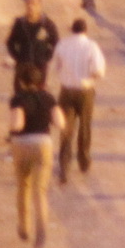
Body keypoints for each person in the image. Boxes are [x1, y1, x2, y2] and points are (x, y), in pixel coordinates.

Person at [8, 64, 62, 247]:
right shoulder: (48, 98)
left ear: (22, 82)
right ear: (41, 82)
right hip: (42, 145)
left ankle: (24, 227)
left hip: (21, 145)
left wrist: (11, 127)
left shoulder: (17, 99)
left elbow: (17, 124)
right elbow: (60, 123)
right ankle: (41, 234)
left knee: (23, 187)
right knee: (40, 192)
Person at [48, 17, 105, 182]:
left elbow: (55, 66)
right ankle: (84, 161)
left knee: (66, 128)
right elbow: (98, 70)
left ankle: (64, 165)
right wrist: (89, 77)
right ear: (85, 31)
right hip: (85, 91)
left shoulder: (62, 44)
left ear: (72, 30)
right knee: (85, 126)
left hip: (66, 91)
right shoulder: (91, 46)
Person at [6, 0, 60, 93]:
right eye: (28, 3)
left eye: (34, 4)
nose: (30, 6)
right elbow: (10, 42)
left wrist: (47, 57)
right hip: (23, 65)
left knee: (39, 94)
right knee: (20, 94)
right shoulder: (20, 23)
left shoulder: (47, 24)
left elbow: (56, 43)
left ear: (40, 7)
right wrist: (18, 56)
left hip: (40, 66)